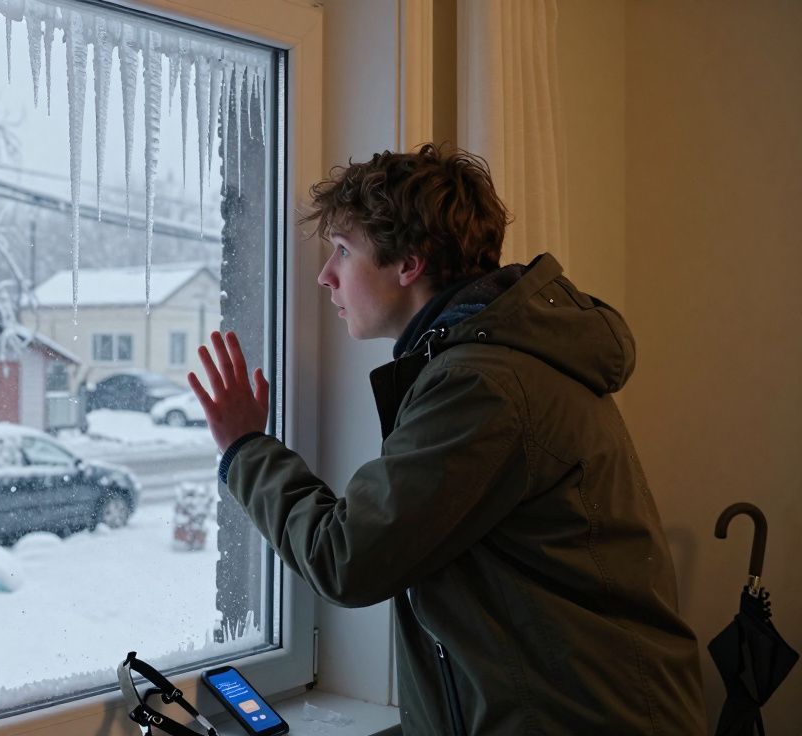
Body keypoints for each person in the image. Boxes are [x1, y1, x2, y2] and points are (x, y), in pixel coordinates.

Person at [188, 144, 706, 735]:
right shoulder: (485, 362)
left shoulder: (482, 385)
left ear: (408, 263)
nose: (324, 275)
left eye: (342, 250)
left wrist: (245, 448)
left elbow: (347, 558)